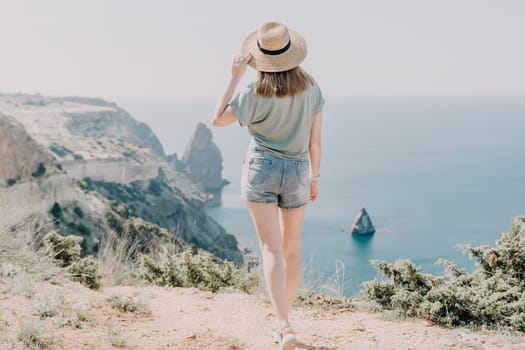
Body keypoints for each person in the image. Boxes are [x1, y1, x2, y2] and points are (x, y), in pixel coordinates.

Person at [211, 21, 324, 350]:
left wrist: (234, 78)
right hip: (300, 169)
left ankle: (283, 324)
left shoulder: (253, 92)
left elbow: (217, 119)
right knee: (292, 252)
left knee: (271, 250)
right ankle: (284, 322)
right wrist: (315, 177)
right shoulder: (313, 90)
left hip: (261, 168)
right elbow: (315, 142)